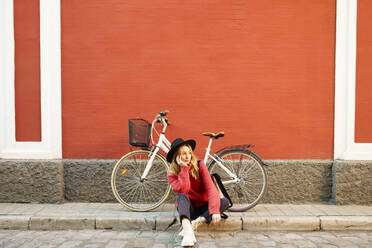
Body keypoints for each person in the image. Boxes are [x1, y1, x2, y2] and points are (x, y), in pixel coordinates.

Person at [166, 138, 229, 247]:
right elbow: (184, 190)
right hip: (190, 209)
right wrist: (184, 169)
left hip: (205, 207)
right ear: (176, 157)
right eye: (183, 154)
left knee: (224, 202)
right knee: (181, 197)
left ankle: (194, 224)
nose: (187, 156)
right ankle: (188, 230)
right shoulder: (172, 174)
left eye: (189, 153)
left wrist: (214, 210)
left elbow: (211, 188)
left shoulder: (200, 165)